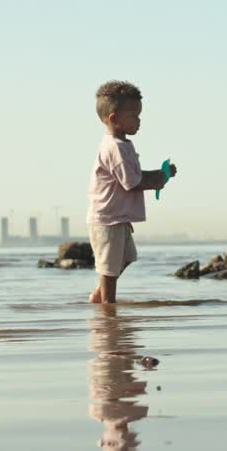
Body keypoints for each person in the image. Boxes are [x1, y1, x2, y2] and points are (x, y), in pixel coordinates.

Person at [86, 80, 177, 303]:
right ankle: (107, 305)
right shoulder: (113, 147)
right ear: (114, 119)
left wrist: (158, 173)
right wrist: (159, 178)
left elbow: (133, 174)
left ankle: (100, 295)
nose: (139, 121)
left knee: (126, 257)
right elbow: (132, 182)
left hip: (118, 217)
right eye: (134, 116)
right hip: (107, 219)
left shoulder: (124, 144)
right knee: (109, 267)